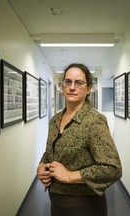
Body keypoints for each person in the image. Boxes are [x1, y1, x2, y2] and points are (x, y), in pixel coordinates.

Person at [36, 63, 122, 216]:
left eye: (79, 82)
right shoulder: (56, 120)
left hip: (84, 205)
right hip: (57, 202)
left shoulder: (94, 121)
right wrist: (42, 165)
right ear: (63, 86)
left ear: (89, 89)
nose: (72, 87)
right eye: (68, 82)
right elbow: (51, 151)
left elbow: (112, 169)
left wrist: (70, 176)